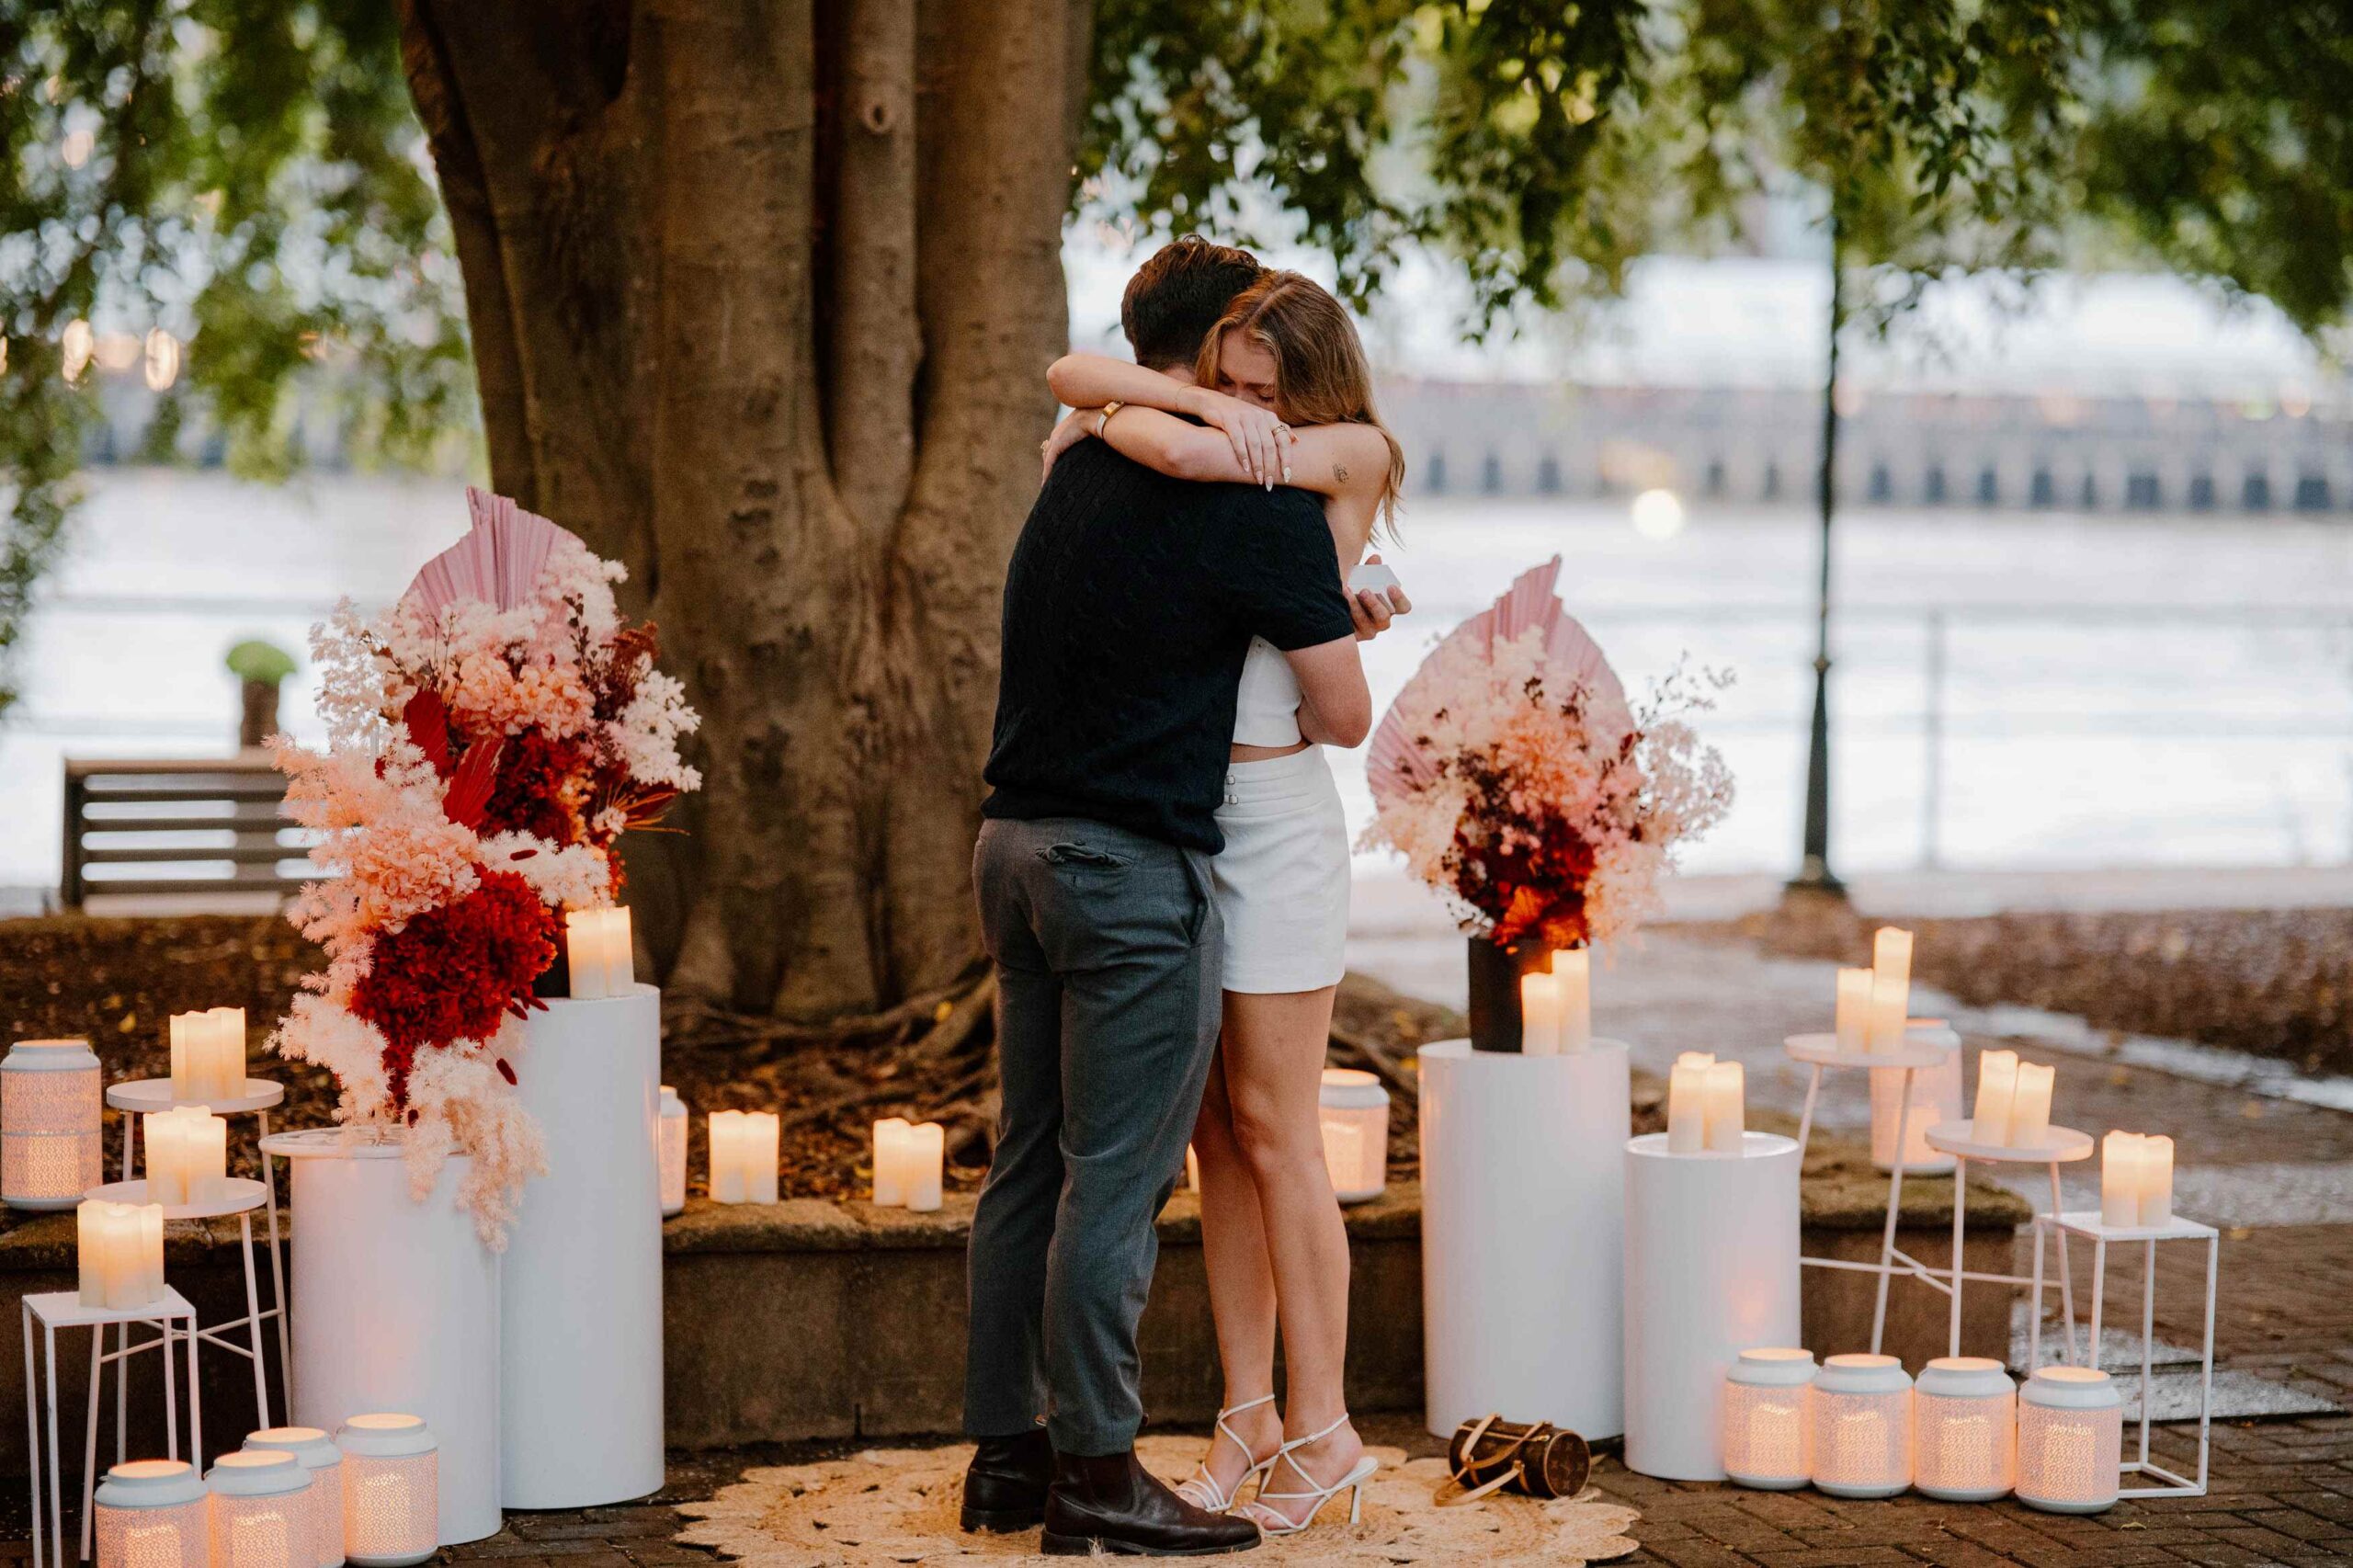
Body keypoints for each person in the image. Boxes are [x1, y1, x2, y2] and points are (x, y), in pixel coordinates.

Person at [960, 237, 1402, 1558]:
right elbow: (1120, 406)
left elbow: (1340, 714)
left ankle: (1301, 1433)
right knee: (1194, 1147)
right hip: (1165, 839)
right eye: (1230, 376)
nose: (1248, 406)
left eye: (1268, 389)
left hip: (1234, 832)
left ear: (1312, 394)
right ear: (1205, 361)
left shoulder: (1306, 464)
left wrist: (1326, 592)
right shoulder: (1142, 450)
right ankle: (1221, 1425)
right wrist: (1162, 414)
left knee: (1256, 1136)